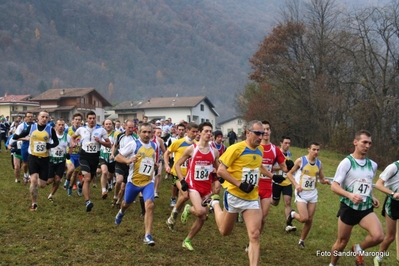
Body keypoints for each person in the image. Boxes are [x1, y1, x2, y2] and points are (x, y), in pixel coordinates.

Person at [209, 120, 283, 266]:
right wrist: (239, 184)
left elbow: (258, 166)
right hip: (234, 196)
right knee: (225, 232)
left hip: (252, 198)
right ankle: (215, 203)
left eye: (262, 133)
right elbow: (221, 170)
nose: (261, 137)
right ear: (248, 132)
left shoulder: (260, 149)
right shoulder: (236, 149)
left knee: (255, 234)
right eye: (258, 133)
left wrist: (272, 176)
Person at [329, 130, 384, 266]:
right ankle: (332, 264)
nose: (367, 146)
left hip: (365, 209)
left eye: (369, 143)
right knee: (341, 243)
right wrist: (350, 195)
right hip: (349, 208)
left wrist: (372, 196)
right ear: (355, 142)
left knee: (378, 236)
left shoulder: (373, 165)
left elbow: (368, 183)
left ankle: (358, 248)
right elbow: (334, 186)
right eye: (364, 142)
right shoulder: (346, 163)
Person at [176, 121, 219, 251]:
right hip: (193, 185)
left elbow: (219, 169)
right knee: (200, 211)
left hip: (206, 188)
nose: (208, 134)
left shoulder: (214, 152)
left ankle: (187, 240)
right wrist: (182, 180)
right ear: (199, 133)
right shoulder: (192, 149)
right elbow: (177, 164)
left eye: (210, 131)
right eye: (206, 131)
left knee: (203, 217)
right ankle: (189, 209)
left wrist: (220, 178)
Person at [114, 122, 157, 246]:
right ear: (139, 132)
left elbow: (152, 161)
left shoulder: (154, 145)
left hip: (148, 182)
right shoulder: (134, 144)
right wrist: (127, 160)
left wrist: (155, 165)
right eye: (144, 132)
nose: (147, 134)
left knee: (149, 205)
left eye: (149, 132)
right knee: (126, 203)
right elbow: (117, 156)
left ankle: (147, 235)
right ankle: (121, 212)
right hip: (134, 182)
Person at [286, 141, 330, 248]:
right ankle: (292, 214)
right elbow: (289, 174)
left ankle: (301, 240)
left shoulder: (319, 164)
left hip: (313, 193)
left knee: (310, 219)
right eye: (314, 149)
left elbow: (321, 178)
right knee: (304, 218)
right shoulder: (301, 161)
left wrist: (325, 181)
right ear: (308, 149)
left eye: (318, 150)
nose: (316, 152)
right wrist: (296, 185)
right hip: (301, 193)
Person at [12, 111, 59, 211]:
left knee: (42, 185)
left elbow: (56, 142)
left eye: (46, 117)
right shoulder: (31, 128)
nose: (44, 119)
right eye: (42, 117)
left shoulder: (50, 129)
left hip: (45, 159)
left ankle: (36, 179)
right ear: (38, 118)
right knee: (33, 180)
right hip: (33, 157)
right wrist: (20, 137)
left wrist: (49, 145)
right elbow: (17, 136)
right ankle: (34, 203)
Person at [70, 111, 111, 212]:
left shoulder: (101, 130)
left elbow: (109, 144)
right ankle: (88, 202)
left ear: (95, 119)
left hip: (95, 157)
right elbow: (72, 137)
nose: (92, 120)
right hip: (84, 156)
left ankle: (80, 185)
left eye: (93, 118)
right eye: (90, 118)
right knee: (87, 178)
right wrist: (73, 143)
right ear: (86, 119)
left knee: (87, 179)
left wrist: (100, 141)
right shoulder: (81, 129)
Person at [258, 121, 292, 238]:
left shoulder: (275, 149)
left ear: (270, 131)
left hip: (267, 187)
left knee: (263, 218)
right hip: (254, 186)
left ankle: (253, 239)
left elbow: (284, 167)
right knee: (256, 218)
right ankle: (252, 240)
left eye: (268, 129)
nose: (266, 131)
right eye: (264, 129)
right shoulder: (255, 147)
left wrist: (290, 166)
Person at [165, 122, 199, 231]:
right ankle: (173, 217)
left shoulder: (196, 145)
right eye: (193, 131)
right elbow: (166, 153)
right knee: (185, 195)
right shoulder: (178, 142)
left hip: (189, 176)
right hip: (177, 174)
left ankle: (171, 219)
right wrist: (166, 164)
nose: (195, 134)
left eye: (196, 132)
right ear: (187, 131)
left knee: (182, 198)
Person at [373, 160, 399, 265]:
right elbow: (379, 184)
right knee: (390, 236)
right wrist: (393, 193)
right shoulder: (394, 167)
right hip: (392, 203)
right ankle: (378, 258)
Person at [271, 136, 296, 232]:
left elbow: (289, 169)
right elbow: (270, 167)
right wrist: (282, 167)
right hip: (277, 181)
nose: (287, 145)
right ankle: (264, 198)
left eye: (289, 143)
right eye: (285, 143)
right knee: (275, 202)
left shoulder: (289, 154)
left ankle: (288, 224)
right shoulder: (276, 153)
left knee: (288, 202)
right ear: (281, 143)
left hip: (287, 181)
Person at [112, 120, 136, 208]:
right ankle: (115, 197)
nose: (130, 129)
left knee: (123, 187)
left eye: (132, 127)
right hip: (120, 161)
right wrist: (112, 154)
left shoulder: (135, 138)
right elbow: (115, 145)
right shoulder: (120, 135)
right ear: (125, 126)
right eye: (129, 127)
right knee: (118, 180)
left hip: (129, 164)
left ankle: (118, 201)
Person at [47, 119, 71, 201]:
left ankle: (51, 195)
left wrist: (69, 153)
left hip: (61, 161)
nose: (61, 127)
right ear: (55, 126)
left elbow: (71, 145)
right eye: (59, 125)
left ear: (64, 126)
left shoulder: (67, 136)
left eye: (62, 125)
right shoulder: (50, 136)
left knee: (57, 179)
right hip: (51, 160)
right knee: (49, 180)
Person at [99, 119, 120, 199]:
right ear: (104, 125)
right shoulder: (100, 133)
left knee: (109, 176)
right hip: (102, 156)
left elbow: (118, 143)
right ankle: (103, 190)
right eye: (106, 124)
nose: (108, 125)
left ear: (112, 125)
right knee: (104, 172)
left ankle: (109, 182)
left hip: (112, 157)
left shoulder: (116, 134)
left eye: (110, 124)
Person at [65, 113, 83, 196]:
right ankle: (67, 181)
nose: (77, 121)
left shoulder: (83, 130)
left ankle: (70, 188)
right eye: (76, 119)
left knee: (75, 173)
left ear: (81, 121)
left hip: (79, 155)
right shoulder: (68, 130)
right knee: (71, 170)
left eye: (79, 120)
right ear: (73, 121)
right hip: (70, 154)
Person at [14, 112, 34, 184]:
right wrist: (25, 139)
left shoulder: (36, 125)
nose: (30, 118)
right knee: (25, 164)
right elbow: (15, 137)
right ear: (25, 118)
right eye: (28, 116)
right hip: (25, 145)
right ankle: (25, 175)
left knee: (33, 163)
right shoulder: (21, 126)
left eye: (31, 116)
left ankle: (32, 177)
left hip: (34, 146)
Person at [210, 130, 226, 195]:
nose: (220, 138)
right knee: (211, 189)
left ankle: (215, 201)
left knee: (217, 188)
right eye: (218, 137)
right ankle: (210, 202)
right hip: (210, 169)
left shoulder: (224, 147)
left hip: (218, 169)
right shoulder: (210, 145)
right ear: (215, 138)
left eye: (221, 137)